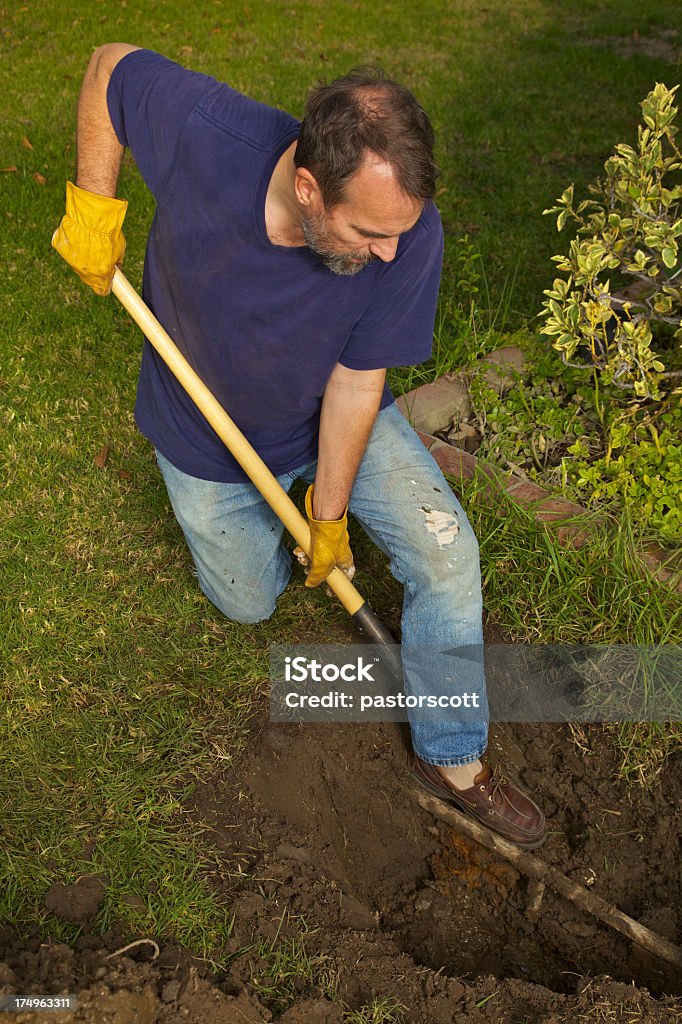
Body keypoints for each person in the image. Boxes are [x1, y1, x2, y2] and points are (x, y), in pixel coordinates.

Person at [52, 44, 546, 849]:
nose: (389, 252)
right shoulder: (210, 135)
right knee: (249, 600)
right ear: (309, 189)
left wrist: (330, 509)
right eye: (367, 232)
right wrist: (92, 201)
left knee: (448, 554)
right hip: (207, 432)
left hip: (329, 407)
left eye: (399, 233)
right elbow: (109, 65)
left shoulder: (406, 237)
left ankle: (452, 755)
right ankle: (263, 529)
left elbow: (356, 385)